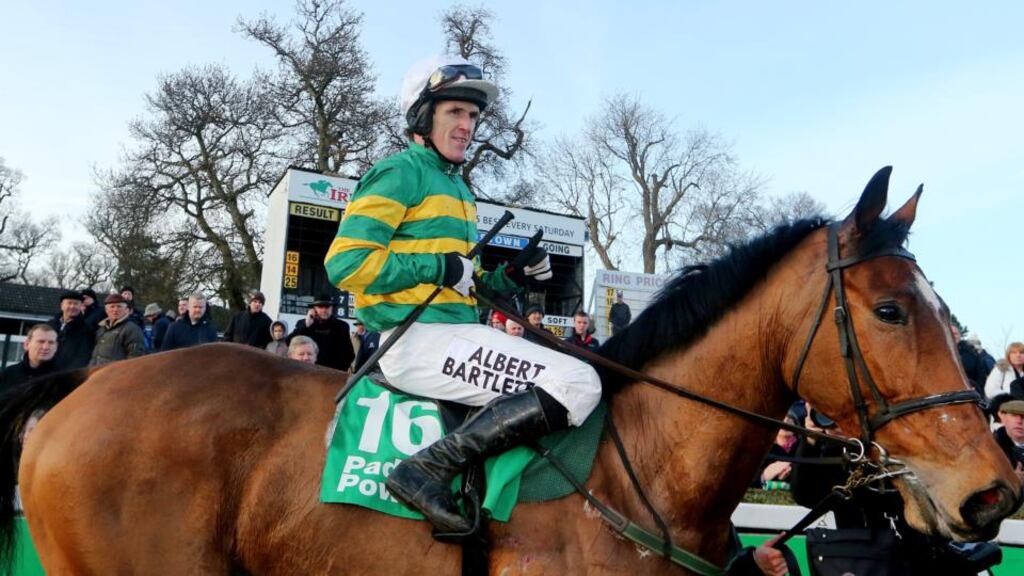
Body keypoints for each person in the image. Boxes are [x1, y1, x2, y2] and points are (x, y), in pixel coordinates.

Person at [324, 54, 601, 536]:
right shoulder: (399, 173)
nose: (467, 125)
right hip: (413, 341)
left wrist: (515, 276)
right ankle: (424, 470)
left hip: (454, 334)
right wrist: (438, 265)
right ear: (421, 117)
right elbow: (345, 264)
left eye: (472, 115)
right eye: (454, 111)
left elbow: (466, 287)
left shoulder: (459, 190)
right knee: (580, 383)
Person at [288, 294, 354, 372]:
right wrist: (306, 325)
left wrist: (338, 371)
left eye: (327, 307)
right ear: (314, 309)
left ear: (332, 308)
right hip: (307, 371)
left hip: (331, 372)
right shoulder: (303, 324)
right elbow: (288, 342)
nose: (324, 310)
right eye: (320, 307)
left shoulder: (341, 326)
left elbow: (349, 354)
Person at [90, 294, 146, 366]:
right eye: (112, 306)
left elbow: (135, 357)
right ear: (106, 310)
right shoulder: (101, 329)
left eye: (119, 306)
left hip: (117, 371)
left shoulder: (132, 329)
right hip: (98, 370)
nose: (115, 309)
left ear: (126, 310)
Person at [47, 290, 95, 370]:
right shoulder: (49, 325)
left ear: (81, 306)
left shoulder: (87, 330)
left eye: (76, 304)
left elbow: (83, 356)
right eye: (69, 303)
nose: (72, 306)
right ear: (62, 305)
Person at [0, 324, 59, 389]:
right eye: (41, 341)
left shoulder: (61, 378)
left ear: (56, 347)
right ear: (27, 344)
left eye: (51, 343)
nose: (45, 347)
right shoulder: (8, 375)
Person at [991, 394, 1024, 483]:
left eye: (1023, 417)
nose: (1019, 421)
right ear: (1002, 416)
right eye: (1014, 415)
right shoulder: (991, 448)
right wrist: (1011, 481)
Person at [953, 326, 989, 397]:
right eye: (951, 333)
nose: (953, 336)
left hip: (971, 392)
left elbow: (981, 375)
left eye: (955, 333)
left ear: (959, 335)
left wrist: (977, 389)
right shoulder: (938, 355)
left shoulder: (972, 354)